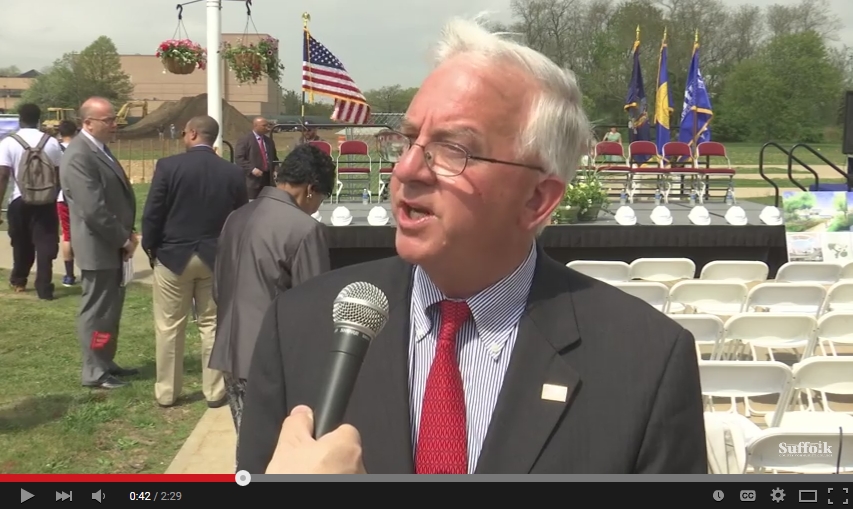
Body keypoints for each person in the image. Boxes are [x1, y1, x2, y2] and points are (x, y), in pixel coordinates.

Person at [236, 17, 706, 474]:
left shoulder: (645, 362)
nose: (406, 171)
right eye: (408, 140)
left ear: (536, 199)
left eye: (453, 150)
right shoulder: (298, 325)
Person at [210, 142, 335, 458]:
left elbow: (217, 287)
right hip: (271, 360)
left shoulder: (235, 217)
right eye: (320, 199)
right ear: (310, 189)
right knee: (275, 452)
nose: (317, 206)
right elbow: (314, 305)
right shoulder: (305, 229)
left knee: (247, 446)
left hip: (229, 351)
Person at [141, 115, 248, 408]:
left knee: (169, 326)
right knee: (212, 325)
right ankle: (214, 391)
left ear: (191, 134)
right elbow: (241, 218)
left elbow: (153, 213)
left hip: (174, 256)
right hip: (215, 257)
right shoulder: (232, 173)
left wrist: (150, 247)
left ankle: (167, 392)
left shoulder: (168, 167)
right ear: (212, 138)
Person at [60, 97, 139, 390]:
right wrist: (122, 238)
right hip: (99, 246)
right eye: (108, 120)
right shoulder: (80, 155)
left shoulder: (99, 149)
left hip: (110, 245)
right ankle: (94, 370)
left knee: (109, 310)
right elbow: (93, 208)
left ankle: (105, 360)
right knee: (97, 310)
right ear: (88, 122)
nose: (114, 124)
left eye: (113, 119)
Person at [0, 103, 64, 300]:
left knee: (21, 242)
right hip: (46, 201)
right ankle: (44, 287)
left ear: (20, 119)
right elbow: (60, 173)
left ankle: (19, 280)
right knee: (45, 244)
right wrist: (54, 193)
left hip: (19, 199)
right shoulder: (51, 142)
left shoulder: (9, 142)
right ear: (38, 119)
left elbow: (3, 175)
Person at [56, 119, 79, 286]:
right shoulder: (80, 149)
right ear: (76, 132)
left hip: (62, 197)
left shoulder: (55, 149)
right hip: (81, 198)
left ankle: (69, 275)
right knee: (85, 233)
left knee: (67, 235)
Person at [235, 117, 277, 200]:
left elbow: (274, 157)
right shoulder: (245, 140)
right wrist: (252, 169)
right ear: (255, 126)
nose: (267, 128)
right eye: (264, 125)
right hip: (252, 180)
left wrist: (275, 169)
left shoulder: (269, 141)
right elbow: (239, 158)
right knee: (252, 205)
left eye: (267, 125)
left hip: (267, 180)